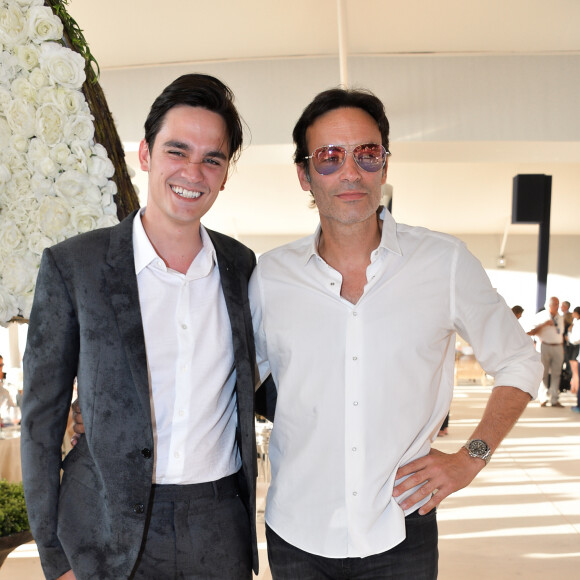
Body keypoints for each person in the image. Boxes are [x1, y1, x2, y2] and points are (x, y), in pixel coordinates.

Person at [249, 87, 543, 579]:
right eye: (329, 157)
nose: (350, 173)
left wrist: (471, 458)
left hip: (402, 528)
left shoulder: (443, 263)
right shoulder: (271, 277)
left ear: (384, 165)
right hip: (297, 532)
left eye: (367, 154)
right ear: (304, 174)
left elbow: (520, 361)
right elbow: (226, 379)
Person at [21, 74, 262, 580]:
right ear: (145, 154)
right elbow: (40, 420)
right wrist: (54, 557)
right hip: (102, 527)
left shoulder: (242, 267)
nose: (192, 172)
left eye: (211, 159)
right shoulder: (75, 266)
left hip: (217, 526)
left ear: (224, 173)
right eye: (177, 150)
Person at [528, 296, 565, 407]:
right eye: (555, 304)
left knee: (556, 373)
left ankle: (554, 399)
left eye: (558, 304)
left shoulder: (560, 317)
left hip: (558, 346)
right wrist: (544, 324)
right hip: (545, 346)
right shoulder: (541, 316)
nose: (557, 306)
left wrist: (562, 348)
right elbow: (532, 332)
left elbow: (560, 333)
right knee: (543, 373)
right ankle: (543, 398)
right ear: (549, 305)